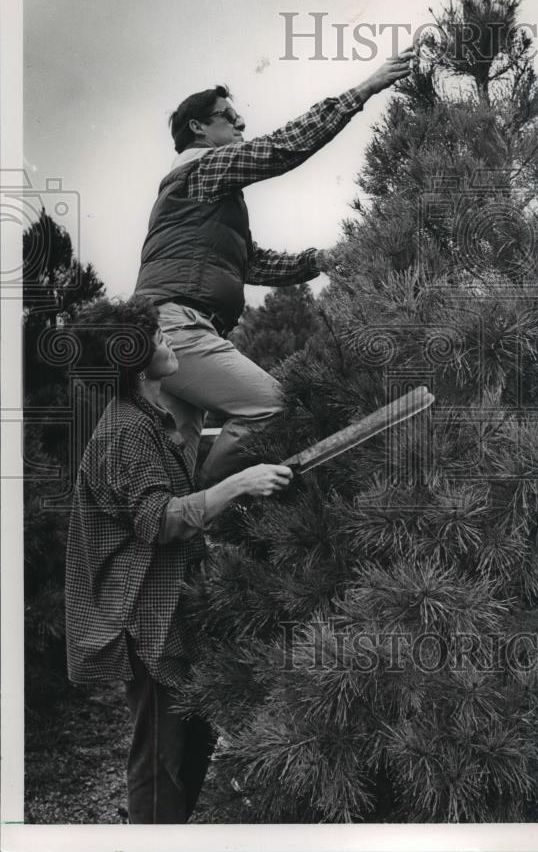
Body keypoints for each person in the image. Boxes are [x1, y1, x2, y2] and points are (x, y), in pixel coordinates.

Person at [134, 48, 415, 487]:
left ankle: (186, 526)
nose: (241, 124)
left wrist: (317, 261)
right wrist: (364, 89)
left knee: (175, 462)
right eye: (228, 116)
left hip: (169, 331)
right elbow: (283, 149)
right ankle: (212, 505)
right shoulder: (204, 170)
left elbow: (254, 262)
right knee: (269, 406)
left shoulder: (196, 199)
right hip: (179, 329)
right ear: (199, 128)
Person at [64, 296, 293, 824]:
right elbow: (158, 520)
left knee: (193, 744)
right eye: (160, 339)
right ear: (137, 360)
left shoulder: (153, 418)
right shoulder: (127, 431)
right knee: (160, 759)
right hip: (142, 619)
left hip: (166, 611)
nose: (171, 345)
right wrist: (239, 482)